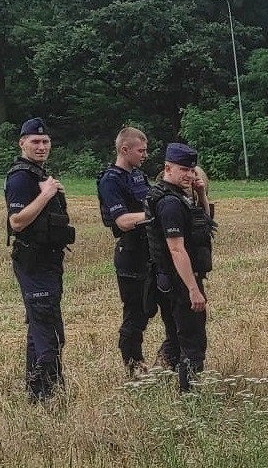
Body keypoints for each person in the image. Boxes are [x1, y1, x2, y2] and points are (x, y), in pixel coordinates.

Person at [5, 117, 76, 401]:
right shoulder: (21, 177)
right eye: (35, 141)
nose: (41, 146)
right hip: (33, 261)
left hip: (48, 260)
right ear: (22, 143)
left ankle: (39, 392)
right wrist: (46, 195)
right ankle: (47, 394)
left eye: (45, 141)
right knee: (48, 330)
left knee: (43, 327)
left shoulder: (39, 174)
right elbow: (17, 221)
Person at [97, 126, 172, 377]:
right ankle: (134, 366)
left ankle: (167, 359)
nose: (145, 154)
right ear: (124, 149)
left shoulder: (138, 175)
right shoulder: (111, 180)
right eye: (141, 150)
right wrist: (156, 215)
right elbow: (122, 221)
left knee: (168, 308)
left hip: (150, 250)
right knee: (136, 315)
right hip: (130, 254)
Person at [145, 143, 216, 392]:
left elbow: (204, 223)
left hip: (171, 279)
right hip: (179, 280)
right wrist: (193, 290)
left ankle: (160, 378)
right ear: (168, 168)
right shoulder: (170, 204)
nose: (190, 175)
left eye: (192, 170)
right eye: (184, 169)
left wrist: (202, 194)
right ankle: (190, 394)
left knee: (176, 336)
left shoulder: (180, 197)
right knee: (192, 338)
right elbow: (177, 249)